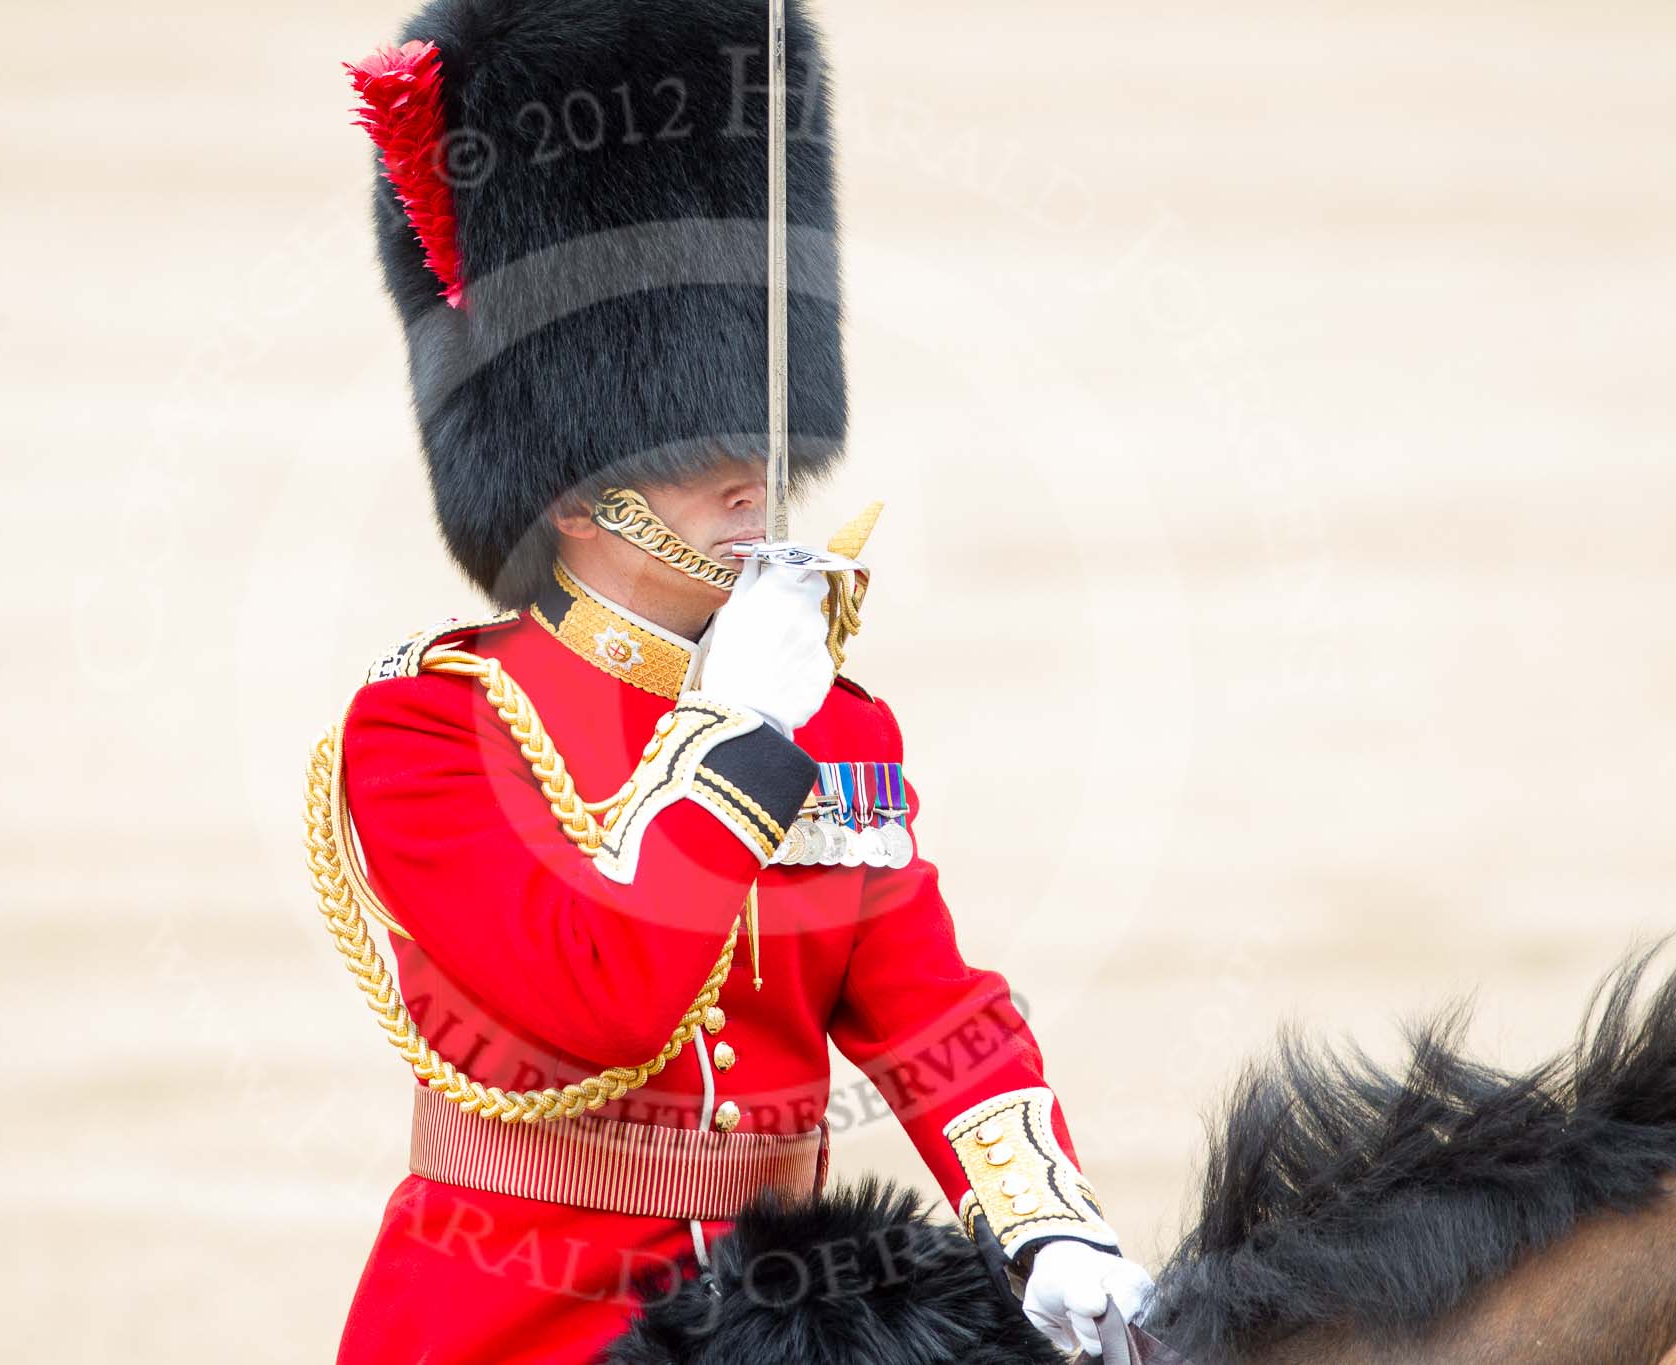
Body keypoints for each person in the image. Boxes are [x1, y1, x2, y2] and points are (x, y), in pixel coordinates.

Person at [324, 1, 1154, 1359]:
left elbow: (932, 1005)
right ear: (573, 486)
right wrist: (743, 731)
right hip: (521, 1318)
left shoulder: (834, 714)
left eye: (745, 432)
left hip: (790, 1312)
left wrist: (1044, 1221)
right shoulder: (431, 727)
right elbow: (605, 999)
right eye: (681, 442)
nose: (747, 471)